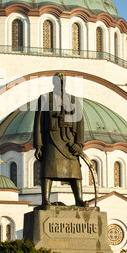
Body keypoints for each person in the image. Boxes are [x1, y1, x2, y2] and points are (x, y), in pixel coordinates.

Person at [33, 72, 84, 207]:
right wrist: (38, 145)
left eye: (63, 81)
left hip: (69, 141)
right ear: (53, 82)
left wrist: (79, 144)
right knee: (48, 170)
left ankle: (79, 199)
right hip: (51, 139)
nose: (61, 83)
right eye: (58, 81)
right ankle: (45, 200)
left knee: (74, 171)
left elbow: (80, 124)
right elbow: (38, 123)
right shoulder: (45, 99)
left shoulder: (74, 100)